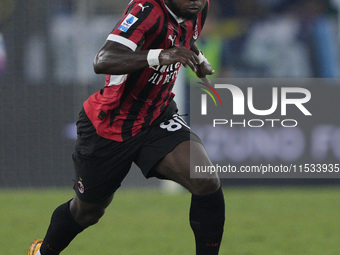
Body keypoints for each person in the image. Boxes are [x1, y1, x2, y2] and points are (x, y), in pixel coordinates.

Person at [28, 0, 225, 255]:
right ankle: (42, 252)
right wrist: (162, 55)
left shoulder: (197, 9)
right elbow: (102, 60)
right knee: (87, 212)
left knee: (205, 180)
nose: (197, 1)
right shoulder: (146, 10)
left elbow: (184, 34)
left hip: (156, 115)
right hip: (111, 124)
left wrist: (198, 57)